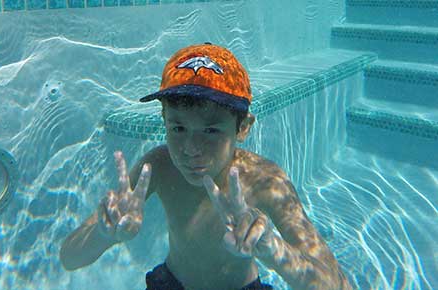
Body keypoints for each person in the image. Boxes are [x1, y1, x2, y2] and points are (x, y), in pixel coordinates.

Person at [59, 43, 352, 290]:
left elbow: (334, 283)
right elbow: (69, 258)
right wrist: (104, 234)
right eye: (178, 128)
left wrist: (270, 246)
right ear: (164, 120)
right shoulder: (158, 165)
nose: (190, 150)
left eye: (211, 131)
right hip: (172, 283)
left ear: (243, 127)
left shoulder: (265, 180)